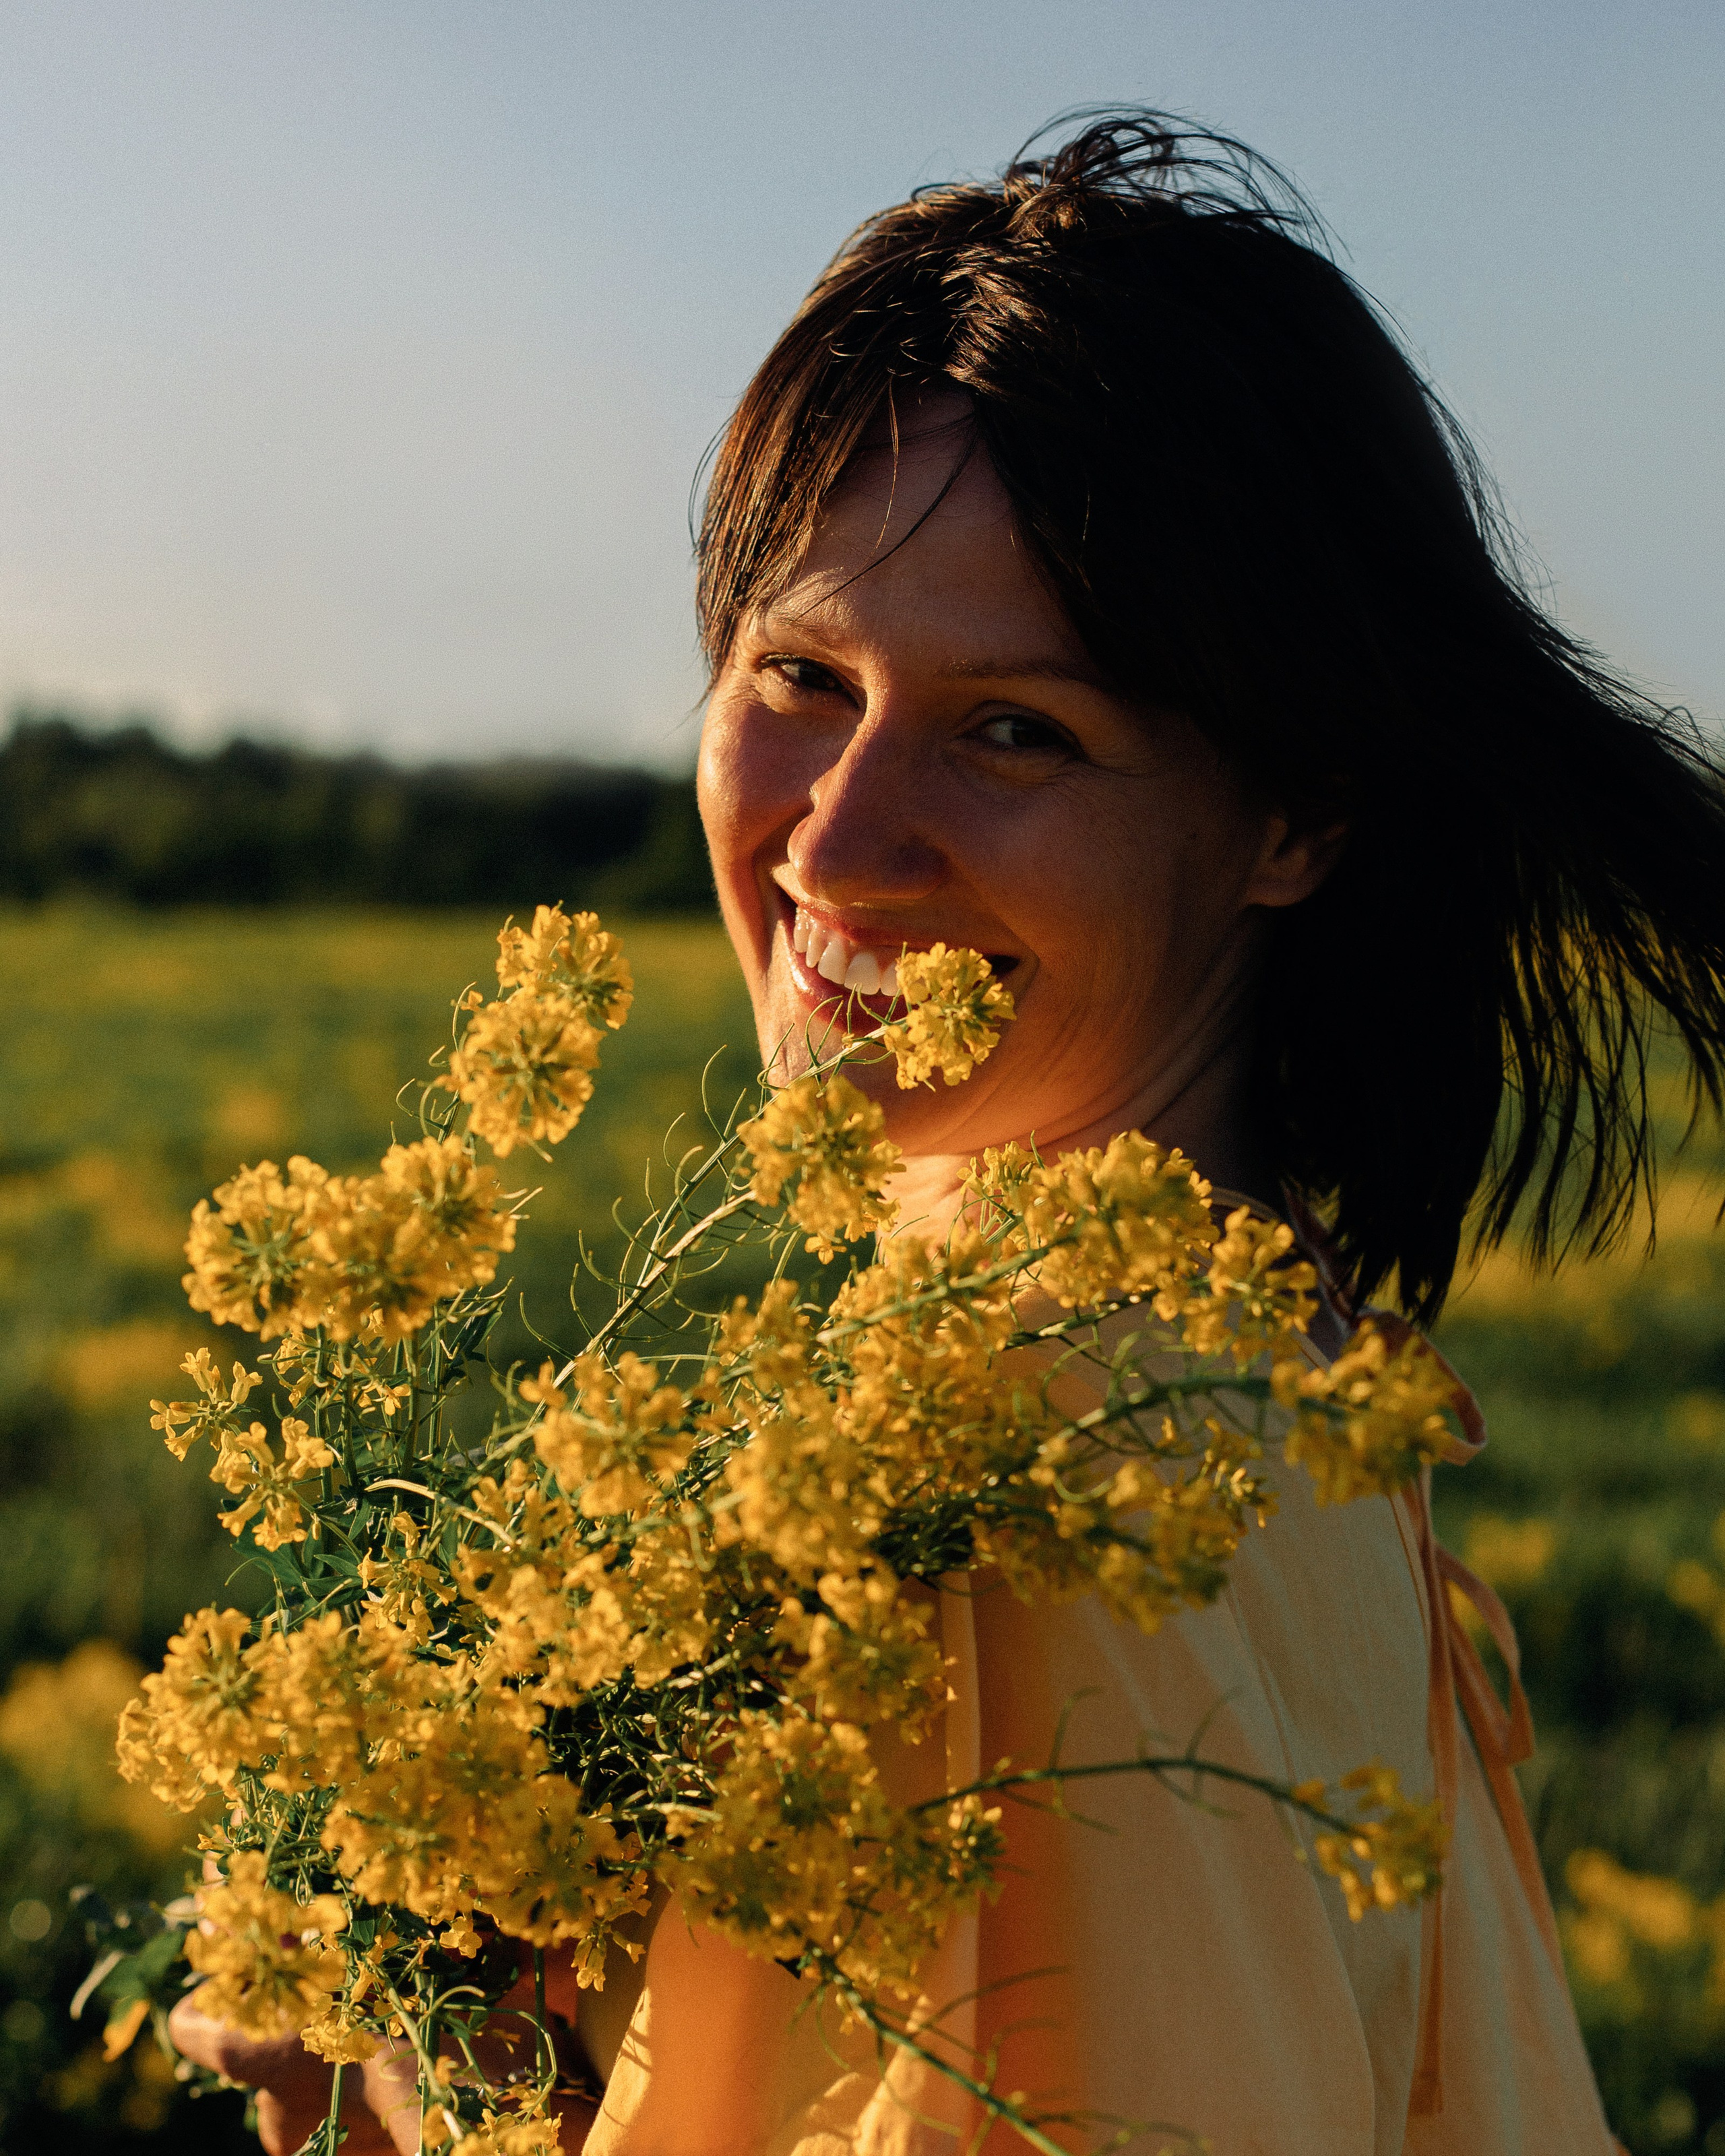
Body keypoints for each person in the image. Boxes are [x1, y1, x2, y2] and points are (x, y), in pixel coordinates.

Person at [174, 110, 1725, 2153]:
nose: (837, 838)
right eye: (801, 673)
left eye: (1016, 730)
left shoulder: (991, 1488)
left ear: (1296, 817)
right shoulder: (1277, 1374)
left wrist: (416, 2103)